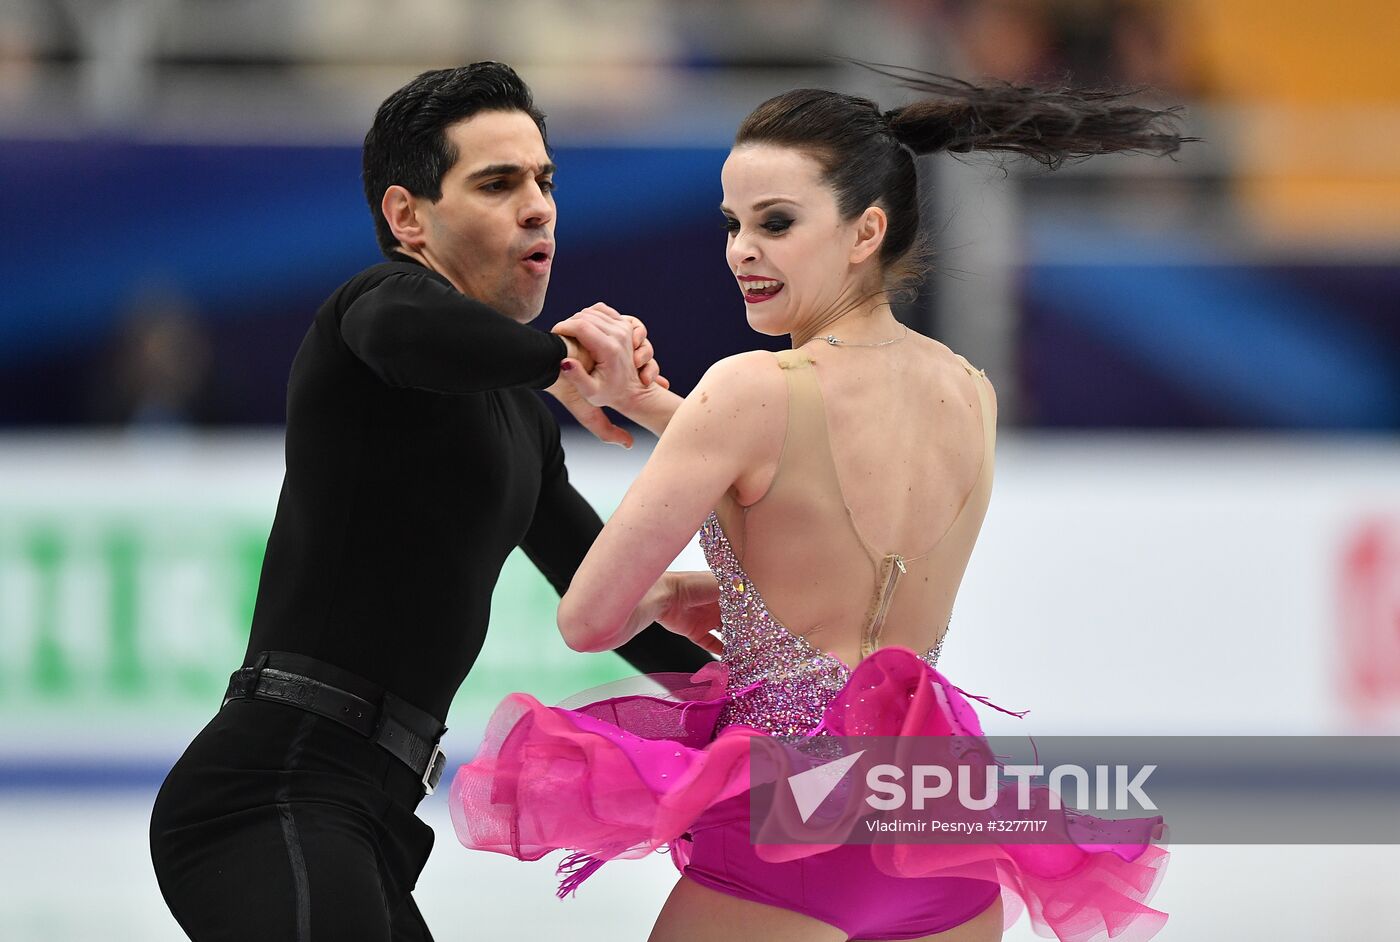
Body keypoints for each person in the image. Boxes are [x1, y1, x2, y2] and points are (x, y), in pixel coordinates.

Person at [449, 70, 1186, 942]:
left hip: (789, 830)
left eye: (776, 223)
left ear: (865, 230)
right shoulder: (970, 393)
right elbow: (808, 493)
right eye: (732, 224)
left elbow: (588, 619)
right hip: (937, 839)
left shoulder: (748, 389)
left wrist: (669, 593)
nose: (741, 251)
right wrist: (653, 410)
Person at [148, 62, 714, 942]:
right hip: (267, 795)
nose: (538, 207)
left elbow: (615, 605)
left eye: (544, 180)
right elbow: (417, 335)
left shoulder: (523, 429)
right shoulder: (371, 313)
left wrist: (760, 707)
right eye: (498, 183)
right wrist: (558, 357)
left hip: (366, 813)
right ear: (407, 216)